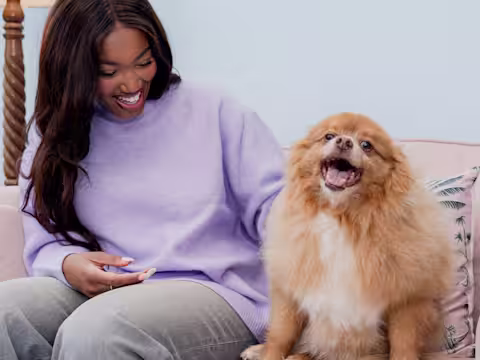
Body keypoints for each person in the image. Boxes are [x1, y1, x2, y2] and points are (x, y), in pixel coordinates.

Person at [0, 0, 285, 359]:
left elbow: (282, 209)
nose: (133, 83)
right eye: (109, 71)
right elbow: (46, 234)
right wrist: (67, 264)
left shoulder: (216, 112)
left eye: (143, 62)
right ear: (73, 69)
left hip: (215, 291)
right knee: (4, 311)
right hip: (106, 293)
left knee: (98, 332)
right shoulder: (56, 132)